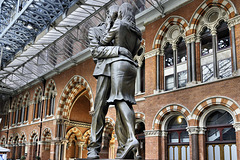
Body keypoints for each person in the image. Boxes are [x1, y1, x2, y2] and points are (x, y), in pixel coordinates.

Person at [87, 5, 132, 159]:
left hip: (121, 71)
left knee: (123, 109)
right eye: (112, 14)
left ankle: (123, 150)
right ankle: (93, 148)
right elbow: (96, 52)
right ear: (107, 14)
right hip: (105, 71)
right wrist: (118, 50)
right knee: (99, 109)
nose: (114, 17)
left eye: (117, 14)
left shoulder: (123, 26)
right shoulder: (94, 31)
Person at [100, 2, 142, 159]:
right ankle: (131, 148)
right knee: (128, 102)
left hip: (120, 64)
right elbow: (136, 50)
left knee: (119, 100)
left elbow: (104, 41)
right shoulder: (137, 32)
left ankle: (131, 138)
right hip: (132, 66)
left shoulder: (119, 24)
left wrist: (110, 23)